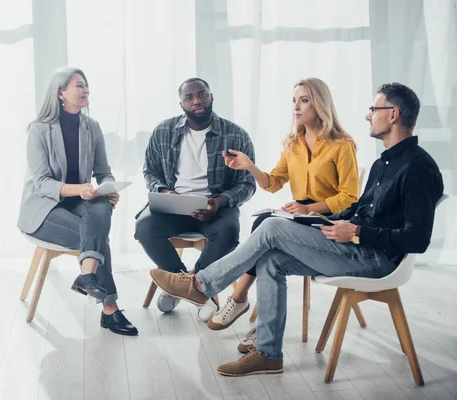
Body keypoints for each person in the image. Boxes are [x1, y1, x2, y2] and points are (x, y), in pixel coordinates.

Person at [149, 82, 443, 376]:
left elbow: (416, 239)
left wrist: (354, 231)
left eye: (373, 109)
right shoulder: (384, 163)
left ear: (393, 114)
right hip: (354, 243)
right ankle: (268, 352)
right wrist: (335, 223)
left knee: (271, 228)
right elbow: (362, 210)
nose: (367, 116)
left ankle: (201, 285)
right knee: (270, 258)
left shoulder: (418, 168)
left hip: (376, 259)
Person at [209, 78, 359, 344]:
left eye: (304, 100)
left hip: (330, 221)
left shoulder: (341, 144)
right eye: (294, 101)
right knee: (265, 228)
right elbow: (273, 183)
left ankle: (238, 298)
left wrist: (309, 207)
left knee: (264, 228)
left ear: (320, 103)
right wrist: (249, 166)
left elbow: (349, 198)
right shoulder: (293, 143)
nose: (296, 107)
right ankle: (259, 318)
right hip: (300, 216)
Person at [17, 67, 137, 336]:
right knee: (97, 237)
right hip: (43, 209)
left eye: (86, 86)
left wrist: (108, 187)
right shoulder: (38, 130)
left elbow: (103, 170)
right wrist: (79, 189)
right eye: (79, 85)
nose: (86, 91)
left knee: (102, 205)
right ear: (60, 93)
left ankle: (87, 276)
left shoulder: (91, 127)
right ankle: (110, 309)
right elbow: (43, 183)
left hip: (77, 204)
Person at [134, 77, 256, 319]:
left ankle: (184, 286)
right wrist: (165, 192)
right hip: (174, 205)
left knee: (229, 233)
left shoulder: (236, 135)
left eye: (202, 95)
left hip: (216, 206)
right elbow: (150, 171)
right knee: (144, 226)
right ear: (181, 104)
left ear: (211, 98)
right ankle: (189, 286)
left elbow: (247, 184)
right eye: (189, 97)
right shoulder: (163, 131)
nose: (197, 101)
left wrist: (219, 202)